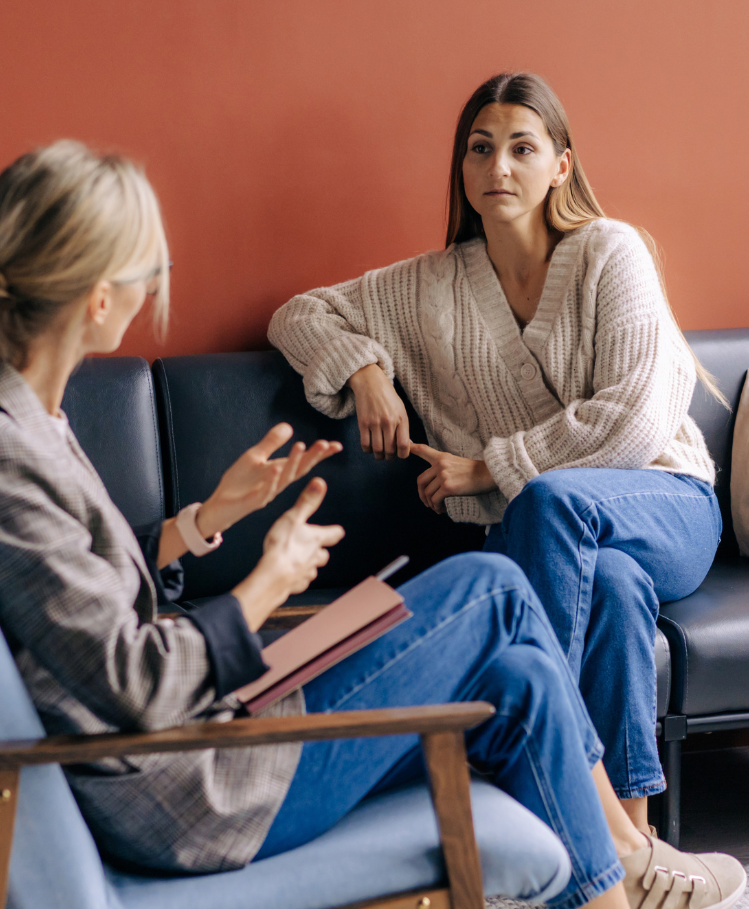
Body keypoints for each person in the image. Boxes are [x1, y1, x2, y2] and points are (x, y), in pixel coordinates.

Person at [0, 140, 749, 909]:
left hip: (205, 739)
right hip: (190, 787)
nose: (154, 287)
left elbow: (77, 598)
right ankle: (625, 852)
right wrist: (264, 586)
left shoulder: (14, 421)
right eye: (150, 271)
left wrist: (207, 521)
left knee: (522, 669)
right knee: (490, 591)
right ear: (95, 296)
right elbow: (127, 682)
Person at [270, 72, 725, 858]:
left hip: (666, 502)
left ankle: (545, 778)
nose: (498, 168)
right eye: (481, 150)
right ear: (463, 169)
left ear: (562, 166)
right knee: (610, 585)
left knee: (546, 504)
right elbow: (299, 313)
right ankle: (634, 847)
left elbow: (636, 419)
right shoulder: (430, 287)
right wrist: (365, 372)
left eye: (522, 148)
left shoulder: (611, 253)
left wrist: (487, 470)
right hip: (563, 537)